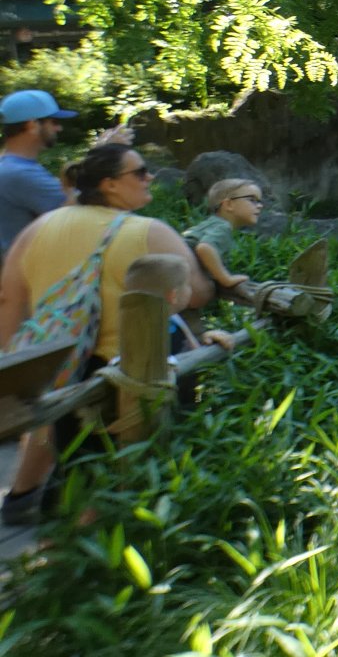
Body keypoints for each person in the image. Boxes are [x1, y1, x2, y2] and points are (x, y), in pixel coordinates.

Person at [0, 144, 210, 524]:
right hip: (122, 375)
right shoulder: (149, 232)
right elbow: (195, 293)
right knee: (111, 482)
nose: (150, 177)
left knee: (75, 470)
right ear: (109, 184)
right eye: (140, 172)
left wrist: (12, 369)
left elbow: (9, 301)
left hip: (60, 369)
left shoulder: (38, 228)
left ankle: (28, 505)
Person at [0, 89, 133, 257]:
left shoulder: (13, 166)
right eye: (54, 122)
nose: (59, 128)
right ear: (32, 125)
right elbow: (79, 210)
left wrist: (98, 153)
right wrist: (104, 155)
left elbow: (68, 192)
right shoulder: (18, 173)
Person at [121, 254, 237, 408]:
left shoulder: (174, 319)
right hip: (161, 406)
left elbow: (196, 352)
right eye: (187, 285)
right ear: (173, 295)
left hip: (187, 396)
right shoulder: (141, 329)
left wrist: (208, 338)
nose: (190, 289)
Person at [183, 179, 265, 293]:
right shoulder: (223, 227)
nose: (260, 206)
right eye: (252, 200)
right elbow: (205, 248)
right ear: (229, 204)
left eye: (260, 201)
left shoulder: (211, 224)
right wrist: (226, 278)